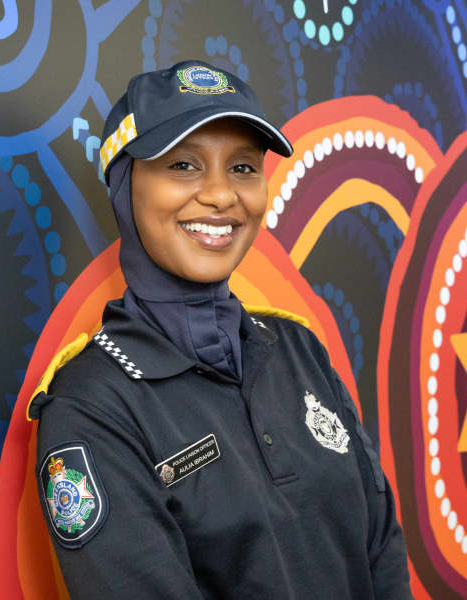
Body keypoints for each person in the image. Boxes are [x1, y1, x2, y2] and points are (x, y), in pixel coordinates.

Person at [28, 60, 412, 599]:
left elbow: (383, 552)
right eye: (184, 165)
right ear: (124, 185)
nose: (221, 194)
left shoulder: (298, 347)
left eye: (243, 167)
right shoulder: (90, 404)